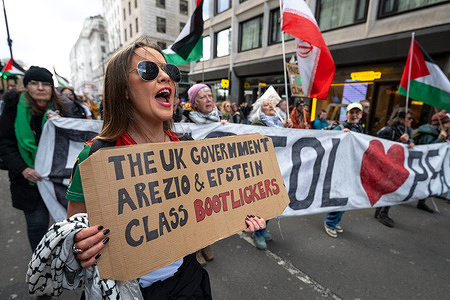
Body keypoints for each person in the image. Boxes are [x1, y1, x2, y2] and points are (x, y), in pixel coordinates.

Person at [60, 39, 267, 298]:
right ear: (122, 88)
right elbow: (71, 230)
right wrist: (80, 246)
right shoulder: (94, 156)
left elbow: (204, 211)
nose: (165, 78)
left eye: (169, 72)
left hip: (188, 283)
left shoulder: (187, 149)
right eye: (148, 70)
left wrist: (239, 216)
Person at [0, 66, 63, 253]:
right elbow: (4, 143)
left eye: (45, 84)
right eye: (34, 83)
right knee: (38, 224)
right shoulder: (12, 110)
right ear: (26, 87)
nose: (41, 88)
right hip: (28, 181)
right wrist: (23, 169)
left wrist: (60, 124)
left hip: (58, 180)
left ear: (52, 88)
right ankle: (42, 267)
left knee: (68, 224)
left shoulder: (61, 110)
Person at [249, 97, 292, 249]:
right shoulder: (257, 124)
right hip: (262, 168)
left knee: (273, 202)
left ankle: (262, 228)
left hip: (277, 167)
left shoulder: (278, 122)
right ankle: (259, 233)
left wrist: (287, 128)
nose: (270, 106)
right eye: (266, 105)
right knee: (264, 203)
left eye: (271, 104)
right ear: (260, 110)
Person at [324, 102, 364, 238]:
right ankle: (330, 222)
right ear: (346, 114)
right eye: (351, 112)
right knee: (341, 196)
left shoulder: (359, 129)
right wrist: (340, 134)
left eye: (357, 113)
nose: (354, 115)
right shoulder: (339, 128)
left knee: (347, 196)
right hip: (339, 168)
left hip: (351, 168)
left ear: (361, 115)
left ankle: (335, 221)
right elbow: (328, 141)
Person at [376, 107, 415, 227]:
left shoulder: (408, 131)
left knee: (392, 187)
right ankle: (383, 212)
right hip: (389, 165)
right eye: (408, 118)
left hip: (399, 164)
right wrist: (400, 141)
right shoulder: (389, 130)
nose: (411, 120)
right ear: (401, 119)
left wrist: (410, 143)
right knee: (390, 188)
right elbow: (382, 147)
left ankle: (380, 211)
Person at [412, 111, 450, 213]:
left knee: (427, 181)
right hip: (421, 161)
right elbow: (428, 147)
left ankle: (422, 202)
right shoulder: (428, 132)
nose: (448, 125)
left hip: (431, 163)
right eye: (446, 123)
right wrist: (439, 139)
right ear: (440, 124)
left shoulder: (440, 132)